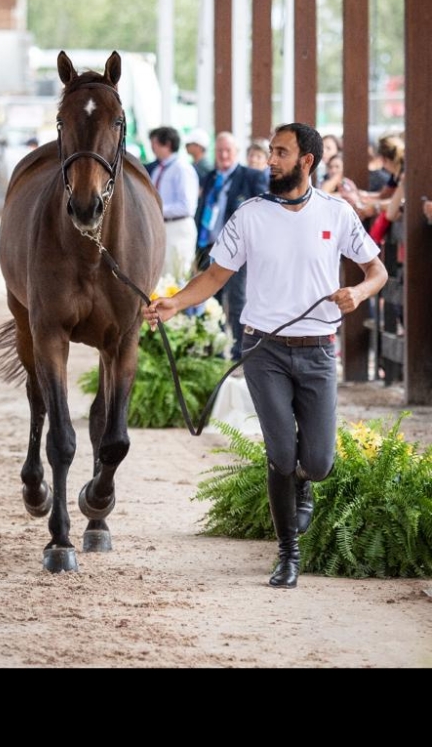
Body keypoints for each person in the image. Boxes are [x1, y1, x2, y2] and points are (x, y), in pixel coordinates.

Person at [143, 123, 388, 589]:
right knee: (280, 453)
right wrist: (176, 302)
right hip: (262, 349)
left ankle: (304, 483)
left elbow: (377, 271)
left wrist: (359, 291)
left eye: (281, 152)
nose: (270, 160)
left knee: (316, 462)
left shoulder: (337, 214)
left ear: (307, 162)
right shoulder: (249, 214)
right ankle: (287, 554)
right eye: (271, 152)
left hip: (318, 350)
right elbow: (215, 275)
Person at [195, 131, 269, 362]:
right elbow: (202, 209)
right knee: (209, 300)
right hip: (209, 245)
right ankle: (216, 349)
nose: (224, 155)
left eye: (228, 150)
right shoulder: (210, 177)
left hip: (238, 249)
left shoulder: (250, 176)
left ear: (236, 152)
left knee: (236, 300)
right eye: (220, 151)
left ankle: (239, 350)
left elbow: (262, 211)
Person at [148, 126, 200, 280]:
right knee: (160, 276)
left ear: (167, 144)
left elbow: (187, 206)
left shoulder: (182, 169)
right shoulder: (158, 169)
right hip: (161, 227)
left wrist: (156, 210)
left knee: (176, 276)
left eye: (155, 144)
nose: (153, 148)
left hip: (178, 228)